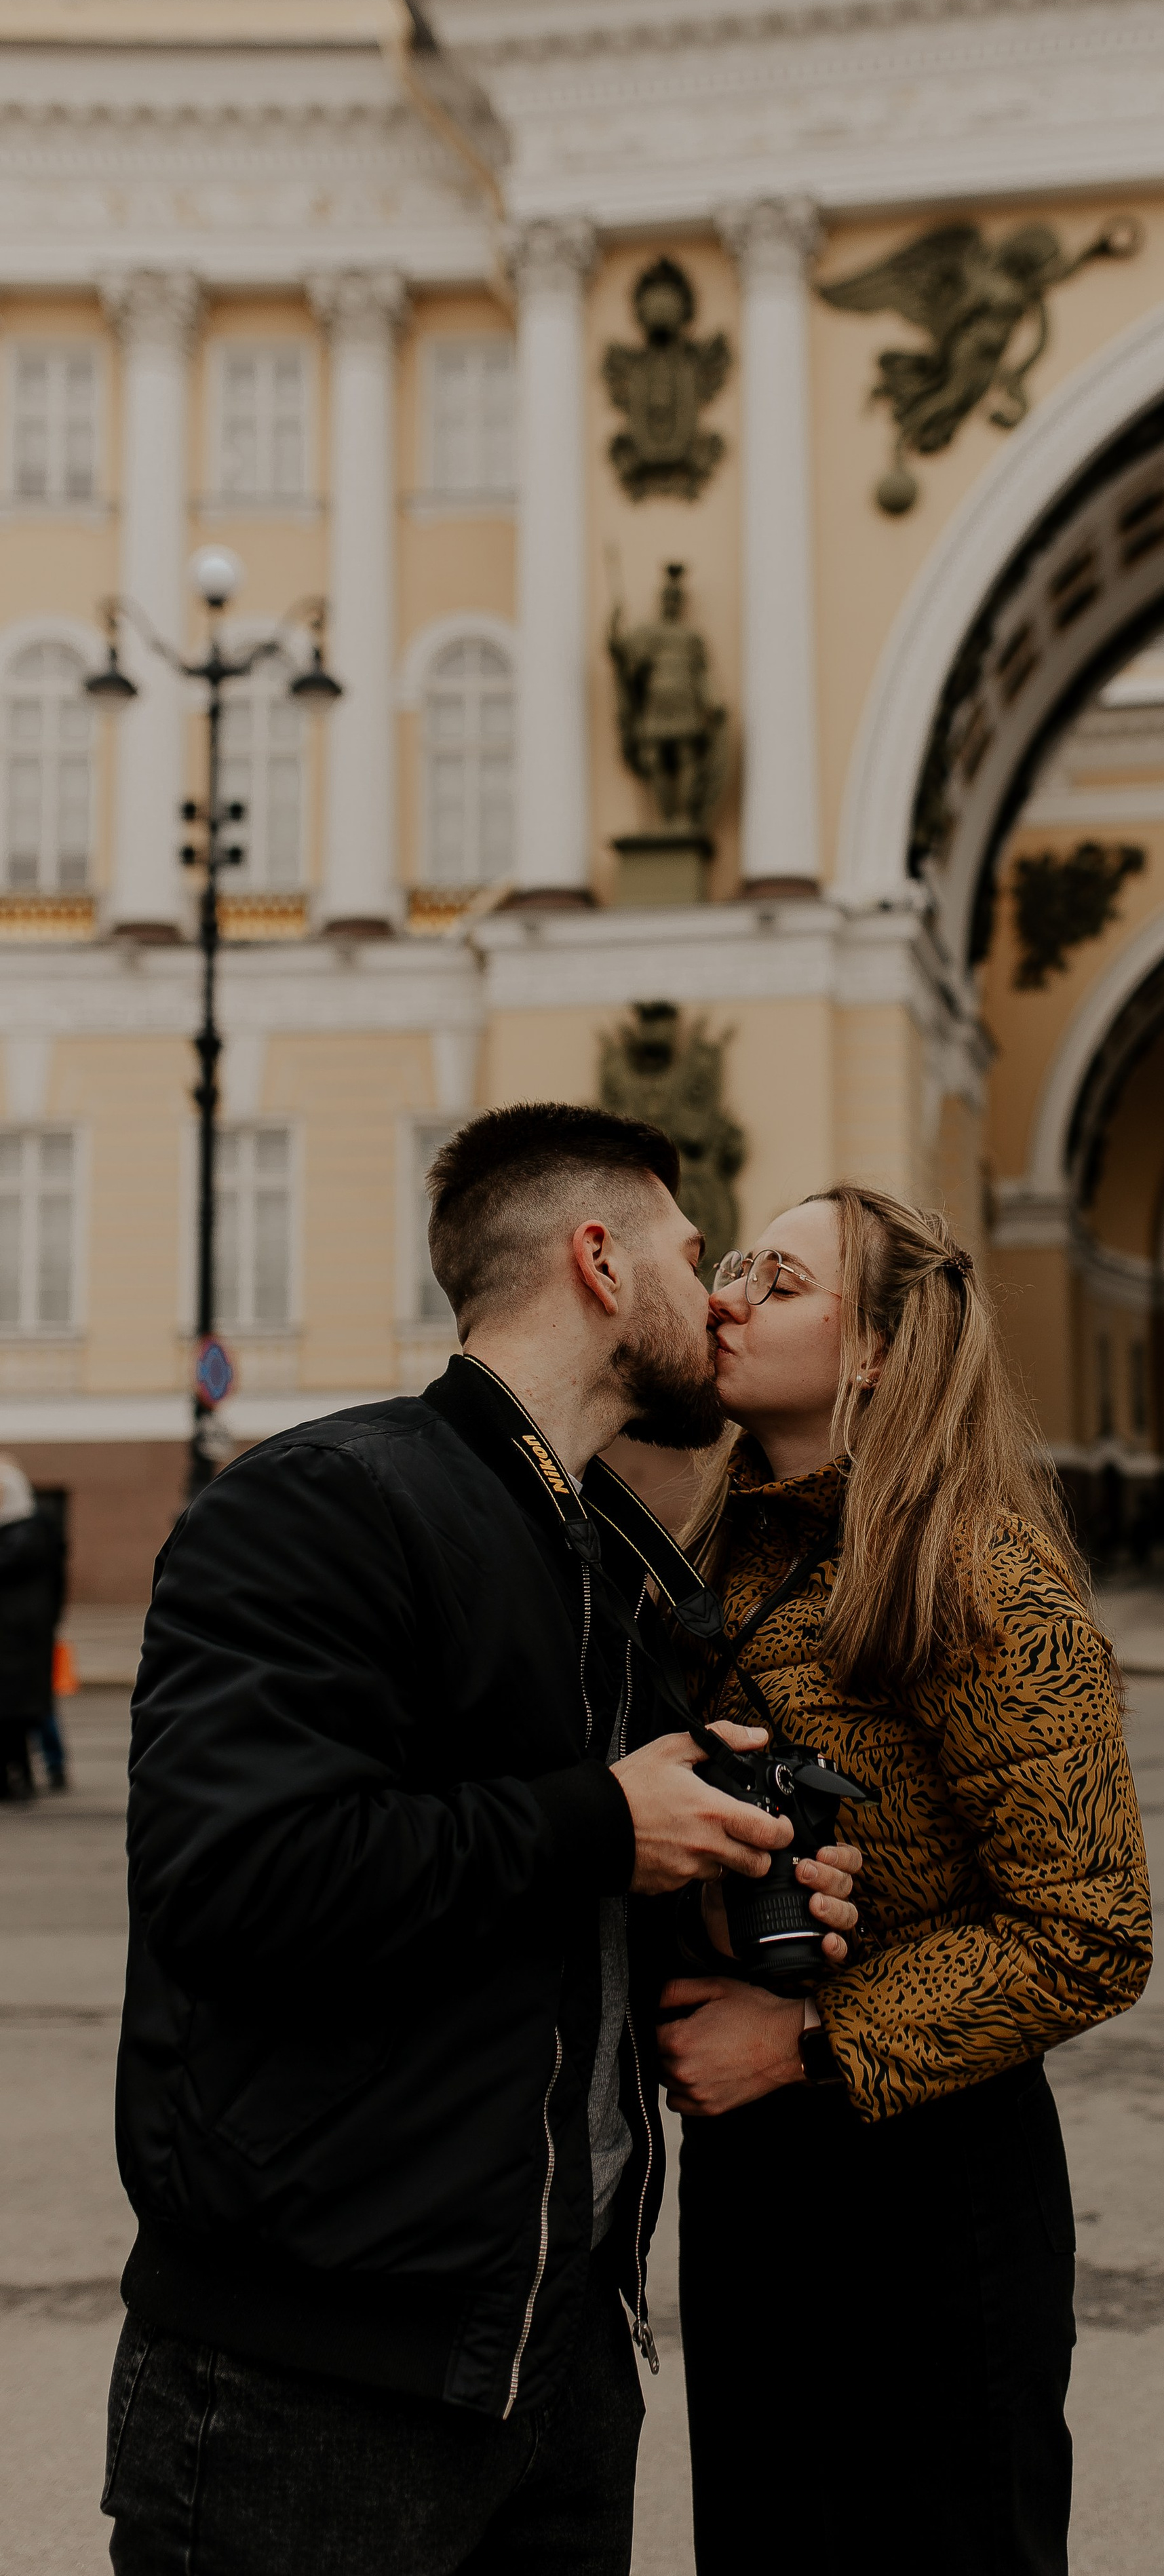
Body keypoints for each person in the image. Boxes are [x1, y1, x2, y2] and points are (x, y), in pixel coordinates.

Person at [102, 1104, 861, 2576]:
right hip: (312, 2382)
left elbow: (539, 1920)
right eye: (691, 1252)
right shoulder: (326, 1503)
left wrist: (713, 1886)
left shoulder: (596, 1548)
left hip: (558, 2349)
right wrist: (601, 1822)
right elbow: (235, 1879)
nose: (713, 1296)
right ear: (596, 1259)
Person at [657, 1187, 1152, 2576]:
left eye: (783, 1281)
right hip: (752, 2178)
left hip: (932, 2191)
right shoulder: (714, 1553)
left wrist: (806, 2037)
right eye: (734, 1263)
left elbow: (1089, 1932)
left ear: (875, 1347)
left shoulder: (980, 1575)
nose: (729, 1296)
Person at [0, 1456, 66, 1799]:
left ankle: (38, 1772)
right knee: (24, 1712)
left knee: (22, 1714)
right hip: (25, 1637)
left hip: (19, 1638)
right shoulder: (34, 1529)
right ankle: (38, 1771)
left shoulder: (25, 1534)